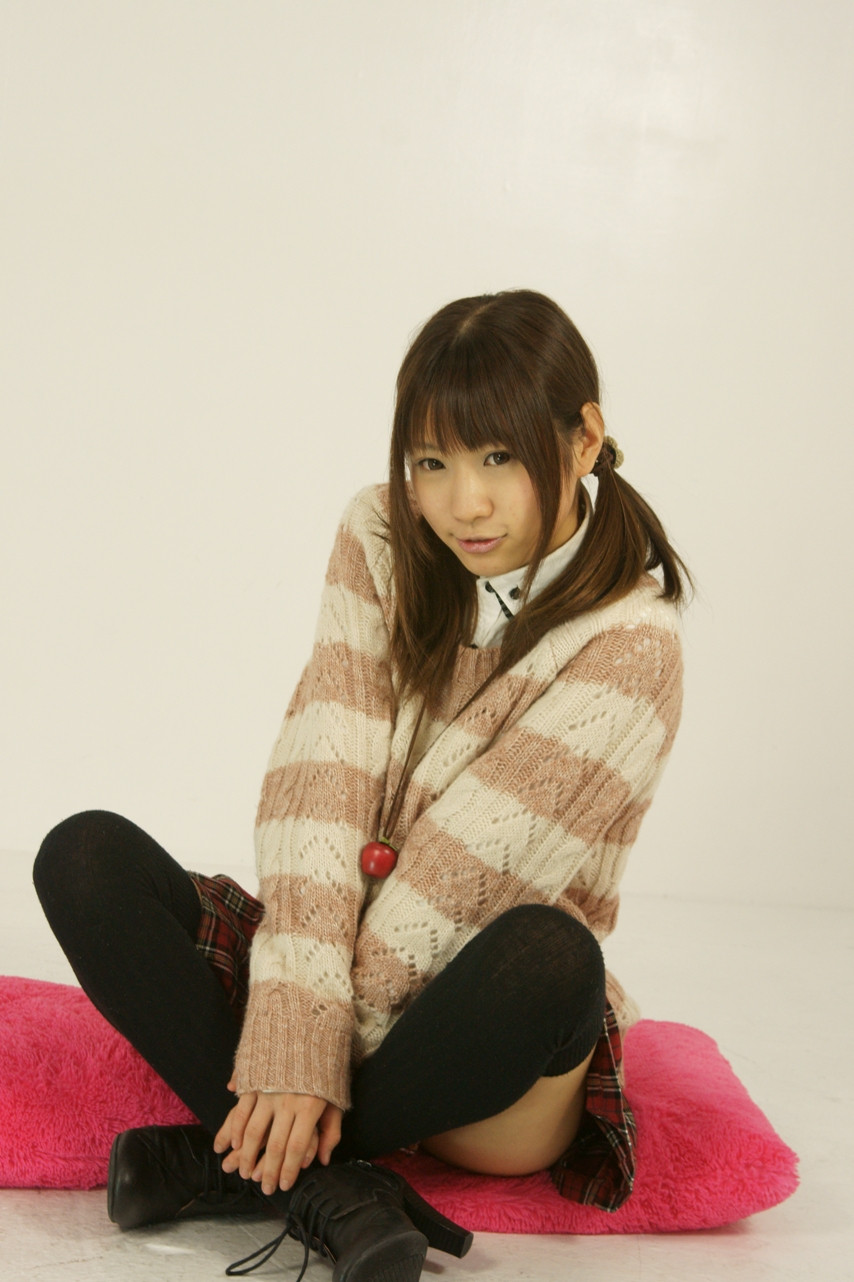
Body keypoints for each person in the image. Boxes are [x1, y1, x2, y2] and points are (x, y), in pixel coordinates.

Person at [33, 289, 688, 1282]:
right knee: (83, 855)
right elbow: (321, 778)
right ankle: (328, 1187)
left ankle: (232, 1158)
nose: (463, 504)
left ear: (584, 438)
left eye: (498, 458)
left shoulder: (632, 644)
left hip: (475, 1046)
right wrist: (294, 1019)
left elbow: (459, 881)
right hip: (333, 957)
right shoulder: (381, 534)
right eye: (431, 463)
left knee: (550, 956)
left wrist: (301, 1057)